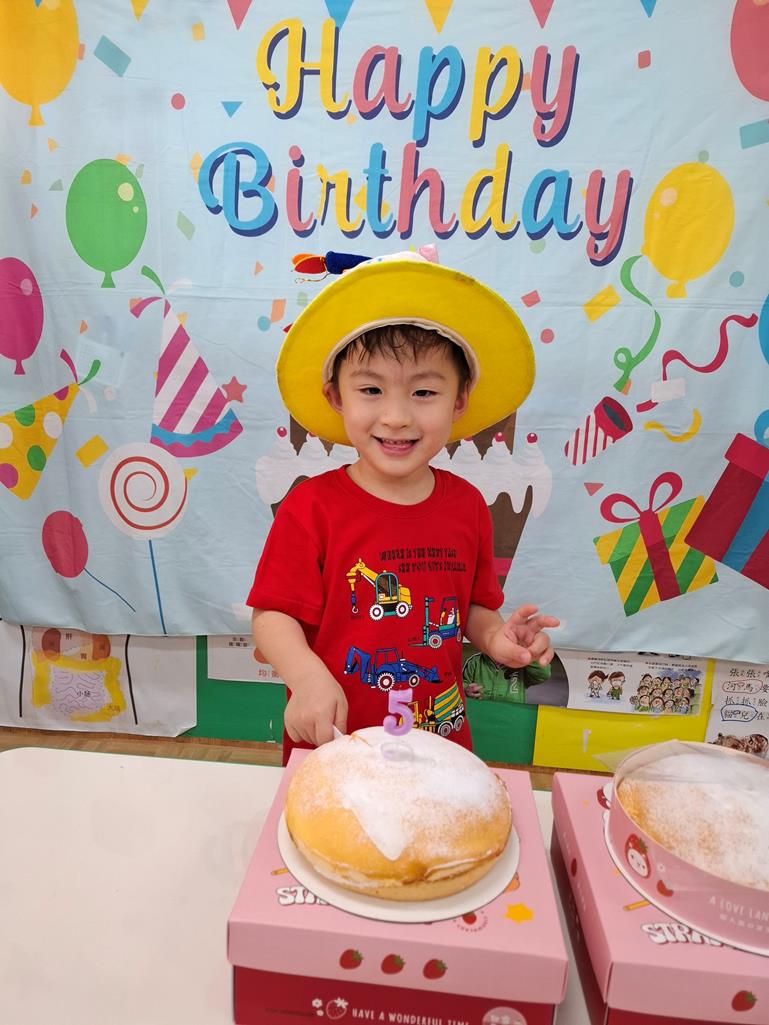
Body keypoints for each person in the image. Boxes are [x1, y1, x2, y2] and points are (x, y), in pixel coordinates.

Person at [246, 250, 559, 763]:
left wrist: (497, 639)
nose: (395, 416)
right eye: (371, 389)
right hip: (333, 742)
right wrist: (306, 677)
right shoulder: (311, 506)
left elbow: (472, 608)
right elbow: (272, 615)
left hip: (437, 747)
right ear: (336, 397)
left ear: (460, 401)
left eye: (424, 392)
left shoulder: (468, 506)